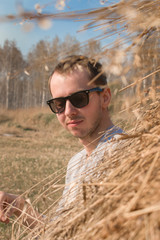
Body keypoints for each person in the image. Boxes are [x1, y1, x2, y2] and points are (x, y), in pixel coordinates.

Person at [0, 55, 123, 228]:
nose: (68, 111)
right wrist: (20, 207)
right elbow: (61, 231)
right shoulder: (76, 162)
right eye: (59, 103)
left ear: (105, 97)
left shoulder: (127, 156)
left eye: (79, 98)